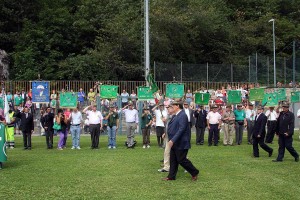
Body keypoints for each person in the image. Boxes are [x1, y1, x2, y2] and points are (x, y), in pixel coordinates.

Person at [163, 100, 199, 181]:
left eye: (173, 106)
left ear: (177, 106)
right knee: (173, 160)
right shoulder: (175, 115)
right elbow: (171, 127)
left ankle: (194, 172)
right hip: (174, 141)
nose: (171, 107)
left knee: (181, 160)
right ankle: (171, 176)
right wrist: (167, 134)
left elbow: (181, 129)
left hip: (181, 142)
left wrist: (173, 140)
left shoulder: (182, 115)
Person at [158, 104, 173, 173]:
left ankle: (187, 166)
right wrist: (165, 133)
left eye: (169, 108)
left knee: (179, 153)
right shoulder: (169, 115)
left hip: (173, 137)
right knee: (166, 152)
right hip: (168, 136)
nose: (167, 109)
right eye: (167, 108)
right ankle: (166, 166)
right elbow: (167, 125)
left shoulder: (175, 116)